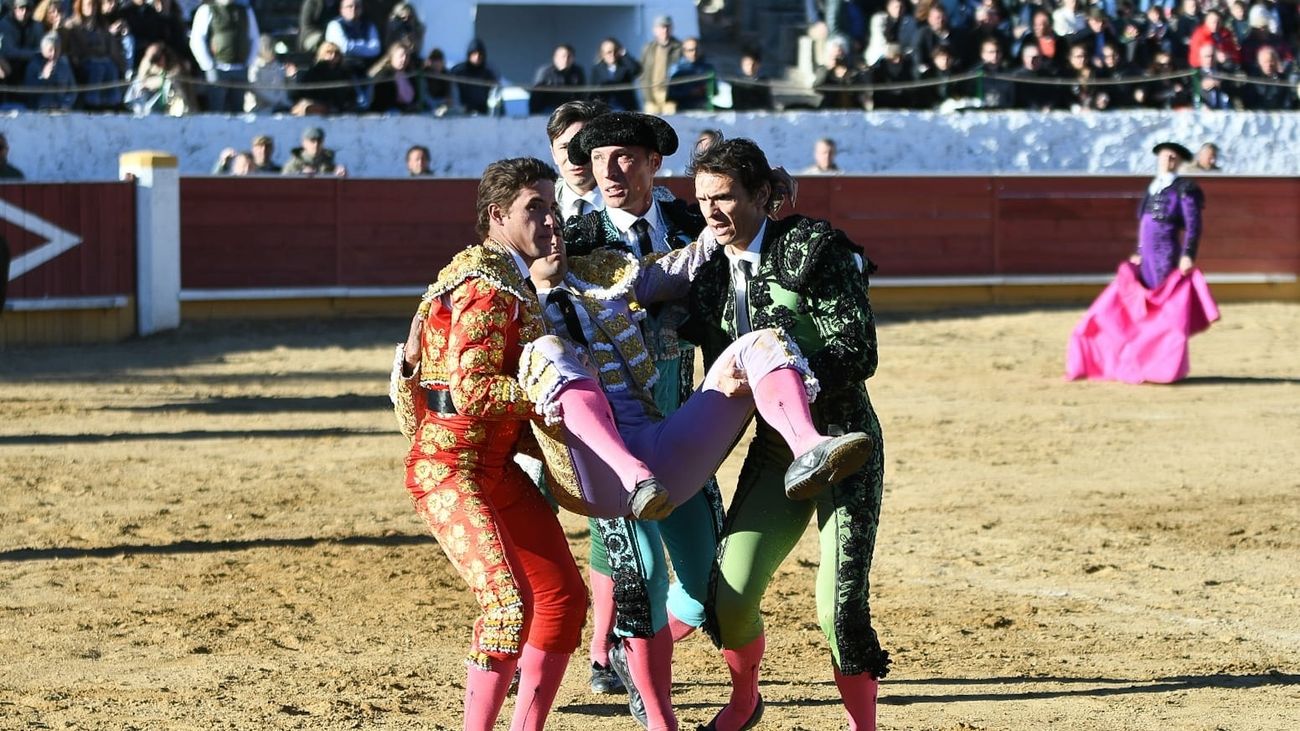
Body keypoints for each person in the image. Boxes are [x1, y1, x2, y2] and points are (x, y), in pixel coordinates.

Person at [682, 137, 890, 731]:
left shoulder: (812, 249)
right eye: (703, 201)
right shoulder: (710, 272)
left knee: (839, 607)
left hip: (842, 443)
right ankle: (746, 700)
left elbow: (859, 349)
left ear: (763, 196)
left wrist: (783, 369)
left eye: (725, 199)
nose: (713, 213)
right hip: (776, 452)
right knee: (732, 593)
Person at [387, 157, 591, 731]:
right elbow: (473, 391)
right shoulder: (489, 290)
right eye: (535, 209)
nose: (550, 221)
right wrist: (551, 394)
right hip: (449, 471)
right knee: (506, 607)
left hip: (493, 468)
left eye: (552, 207)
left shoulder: (496, 278)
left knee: (562, 599)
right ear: (497, 215)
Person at [561, 111, 717, 729]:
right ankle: (646, 687)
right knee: (643, 572)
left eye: (624, 157)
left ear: (655, 163)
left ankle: (634, 650)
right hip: (616, 431)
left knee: (708, 583)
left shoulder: (690, 220)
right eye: (599, 160)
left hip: (683, 420)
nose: (609, 171)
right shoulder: (574, 236)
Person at [1066, 141, 1219, 384]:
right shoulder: (1153, 188)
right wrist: (1138, 251)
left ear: (1179, 162)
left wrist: (1188, 254)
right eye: (1165, 156)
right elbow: (1145, 225)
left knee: (1166, 313)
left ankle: (1163, 364)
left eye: (1173, 158)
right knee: (1142, 310)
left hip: (1167, 256)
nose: (1168, 161)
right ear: (1158, 158)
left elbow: (1193, 224)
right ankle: (1141, 360)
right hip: (1147, 257)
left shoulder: (1184, 188)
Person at [189, 0, 260, 113]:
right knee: (216, 109)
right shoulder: (206, 10)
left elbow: (254, 38)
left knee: (238, 111)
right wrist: (208, 65)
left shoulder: (246, 11)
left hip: (240, 69)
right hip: (217, 69)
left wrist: (248, 62)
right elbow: (197, 40)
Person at [546, 100, 607, 224]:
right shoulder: (542, 203)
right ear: (553, 154)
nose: (574, 157)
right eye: (564, 148)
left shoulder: (629, 200)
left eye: (582, 146)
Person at [23, 31, 76, 110]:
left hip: (61, 108)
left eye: (56, 49)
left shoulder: (64, 65)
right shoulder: (34, 65)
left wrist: (65, 104)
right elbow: (28, 91)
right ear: (42, 49)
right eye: (50, 50)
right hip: (39, 109)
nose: (53, 53)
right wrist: (43, 77)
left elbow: (73, 90)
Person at [639, 14, 681, 114]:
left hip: (670, 96)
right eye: (661, 27)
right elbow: (642, 72)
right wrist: (646, 95)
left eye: (667, 27)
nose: (664, 30)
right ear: (655, 30)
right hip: (652, 94)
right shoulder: (648, 48)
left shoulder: (679, 48)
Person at [528, 43, 585, 116]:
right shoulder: (545, 72)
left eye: (569, 56)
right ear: (555, 58)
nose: (566, 59)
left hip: (570, 109)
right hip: (548, 110)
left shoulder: (578, 72)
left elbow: (582, 95)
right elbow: (536, 96)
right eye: (563, 56)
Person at [368, 41, 426, 113]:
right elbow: (382, 100)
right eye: (401, 56)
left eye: (407, 56)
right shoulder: (384, 75)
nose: (404, 59)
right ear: (392, 56)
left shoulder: (410, 75)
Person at [590, 36, 641, 112]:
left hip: (625, 108)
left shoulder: (624, 67)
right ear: (602, 54)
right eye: (609, 52)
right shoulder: (597, 69)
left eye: (615, 51)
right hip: (605, 108)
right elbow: (593, 91)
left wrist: (624, 53)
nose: (612, 55)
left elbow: (636, 70)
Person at [449, 37, 497, 115]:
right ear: (469, 54)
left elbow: (494, 95)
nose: (477, 57)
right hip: (462, 114)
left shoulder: (489, 73)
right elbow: (454, 94)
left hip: (484, 114)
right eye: (474, 53)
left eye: (480, 54)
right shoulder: (459, 72)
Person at [0, 0, 44, 82]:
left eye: (28, 9)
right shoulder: (4, 24)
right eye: (21, 8)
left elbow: (41, 48)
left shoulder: (37, 25)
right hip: (10, 61)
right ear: (14, 9)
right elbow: (9, 51)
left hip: (31, 61)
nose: (24, 12)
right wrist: (33, 53)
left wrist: (35, 54)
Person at [666, 36, 714, 111]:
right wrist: (689, 92)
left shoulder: (707, 68)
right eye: (690, 50)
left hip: (703, 109)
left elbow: (715, 90)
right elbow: (670, 94)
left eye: (696, 49)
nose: (694, 53)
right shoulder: (677, 69)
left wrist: (707, 89)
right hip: (683, 110)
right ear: (684, 51)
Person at [281, 126, 346, 176]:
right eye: (312, 140)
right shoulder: (294, 164)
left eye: (319, 141)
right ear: (304, 143)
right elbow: (284, 184)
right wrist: (300, 175)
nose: (316, 144)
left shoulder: (329, 163)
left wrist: (341, 176)